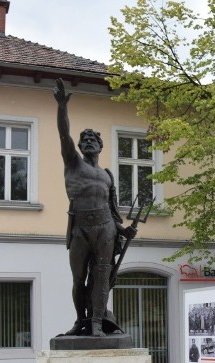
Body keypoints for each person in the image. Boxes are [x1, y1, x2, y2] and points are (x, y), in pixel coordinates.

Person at [54, 78, 137, 337]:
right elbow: (63, 133)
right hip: (80, 227)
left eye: (93, 139)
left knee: (102, 278)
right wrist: (61, 107)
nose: (88, 141)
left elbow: (113, 212)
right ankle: (81, 321)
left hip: (106, 230)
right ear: (79, 147)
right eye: (84, 139)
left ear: (100, 146)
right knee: (79, 280)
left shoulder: (108, 175)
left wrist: (124, 232)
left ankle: (98, 323)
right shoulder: (73, 163)